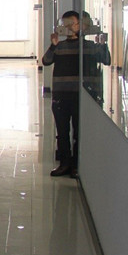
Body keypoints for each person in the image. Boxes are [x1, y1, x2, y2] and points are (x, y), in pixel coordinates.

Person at [42, 10, 108, 178]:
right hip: (61, 96)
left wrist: (102, 43)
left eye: (73, 24)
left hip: (82, 96)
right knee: (62, 132)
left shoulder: (89, 46)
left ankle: (77, 165)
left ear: (82, 25)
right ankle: (64, 163)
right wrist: (53, 44)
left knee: (79, 132)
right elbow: (46, 61)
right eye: (66, 24)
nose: (69, 27)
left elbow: (106, 59)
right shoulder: (59, 46)